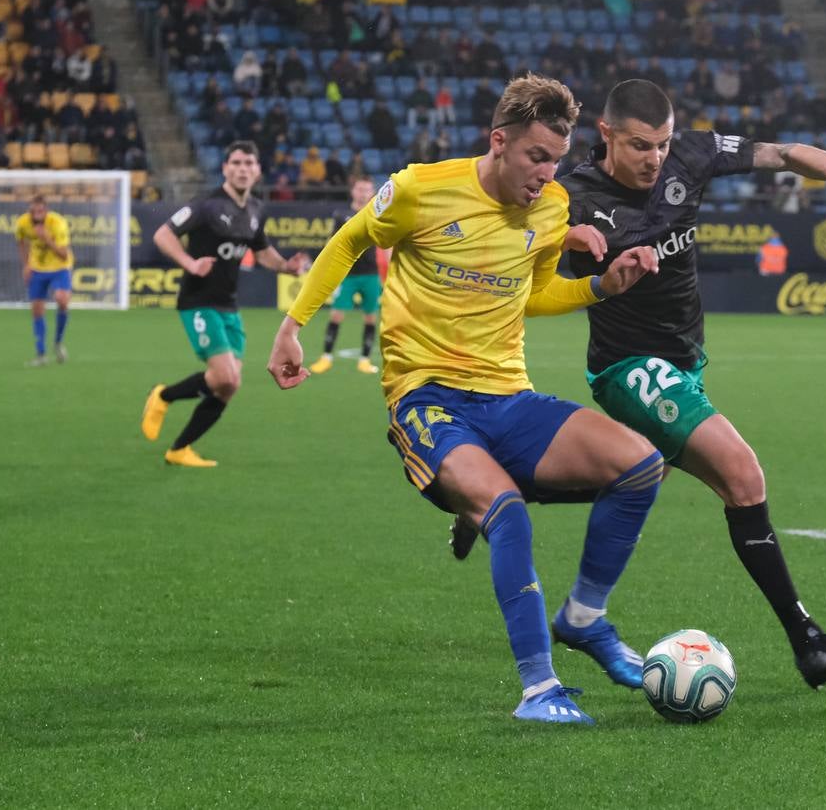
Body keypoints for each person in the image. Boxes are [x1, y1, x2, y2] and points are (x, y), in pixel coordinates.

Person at [455, 79, 826, 690]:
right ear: (606, 135)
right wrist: (565, 238)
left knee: (635, 479)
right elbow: (501, 233)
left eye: (663, 145)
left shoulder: (690, 155)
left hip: (682, 362)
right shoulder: (569, 193)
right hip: (627, 368)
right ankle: (808, 642)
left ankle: (510, 521)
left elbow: (783, 152)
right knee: (743, 475)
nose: (655, 158)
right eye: (641, 145)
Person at [266, 74, 663, 725]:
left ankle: (584, 618)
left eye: (555, 161)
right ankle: (539, 689)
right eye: (535, 157)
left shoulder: (552, 206)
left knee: (641, 465)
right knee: (506, 510)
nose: (545, 173)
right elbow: (350, 240)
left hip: (508, 396)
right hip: (427, 398)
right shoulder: (421, 188)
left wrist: (600, 288)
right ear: (498, 142)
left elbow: (534, 295)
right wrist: (293, 326)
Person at [140, 141, 310, 467]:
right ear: (225, 168)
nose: (243, 168)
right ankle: (163, 396)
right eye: (236, 162)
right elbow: (163, 235)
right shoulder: (206, 204)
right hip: (198, 302)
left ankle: (179, 449)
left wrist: (286, 266)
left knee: (227, 387)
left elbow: (262, 253)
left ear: (258, 170)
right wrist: (190, 264)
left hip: (229, 307)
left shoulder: (256, 210)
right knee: (227, 377)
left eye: (249, 162)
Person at [309, 176, 385, 375]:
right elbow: (333, 244)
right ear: (353, 191)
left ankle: (365, 360)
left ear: (372, 193)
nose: (363, 193)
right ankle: (326, 357)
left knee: (370, 317)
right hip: (347, 274)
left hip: (371, 274)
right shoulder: (341, 215)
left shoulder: (377, 215)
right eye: (360, 189)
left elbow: (386, 244)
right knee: (336, 314)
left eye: (367, 189)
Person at [15, 195, 72, 366]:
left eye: (40, 211)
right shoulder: (22, 223)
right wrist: (26, 265)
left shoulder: (58, 224)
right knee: (37, 310)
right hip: (38, 269)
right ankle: (41, 354)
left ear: (46, 211)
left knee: (62, 300)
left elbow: (64, 255)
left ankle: (58, 342)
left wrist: (47, 239)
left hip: (59, 267)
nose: (36, 215)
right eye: (33, 211)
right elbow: (21, 242)